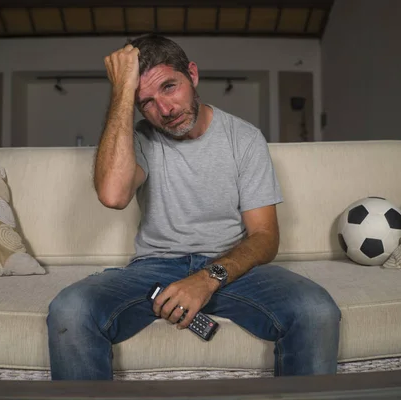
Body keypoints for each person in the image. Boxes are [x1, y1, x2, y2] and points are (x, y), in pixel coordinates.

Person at [46, 34, 341, 381]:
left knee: (316, 310)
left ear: (193, 75)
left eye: (170, 87)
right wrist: (122, 91)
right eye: (147, 102)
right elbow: (113, 195)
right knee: (70, 310)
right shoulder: (138, 139)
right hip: (154, 269)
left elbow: (264, 237)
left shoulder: (243, 139)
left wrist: (206, 279)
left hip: (231, 269)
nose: (165, 110)